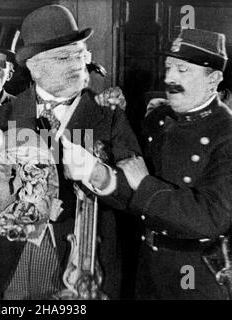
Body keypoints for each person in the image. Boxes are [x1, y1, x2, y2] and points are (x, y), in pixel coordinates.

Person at [0, 5, 141, 300]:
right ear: (33, 65)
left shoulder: (109, 118)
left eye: (79, 53)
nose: (76, 64)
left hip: (79, 269)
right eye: (63, 56)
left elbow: (134, 195)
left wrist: (102, 176)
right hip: (11, 264)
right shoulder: (1, 117)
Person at [117, 28, 232, 299]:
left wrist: (144, 185)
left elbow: (210, 218)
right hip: (149, 262)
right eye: (168, 67)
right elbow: (129, 171)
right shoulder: (159, 118)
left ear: (213, 79)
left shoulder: (226, 134)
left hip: (197, 270)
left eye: (182, 70)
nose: (169, 78)